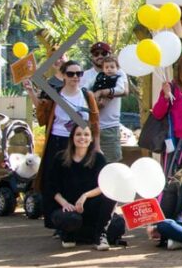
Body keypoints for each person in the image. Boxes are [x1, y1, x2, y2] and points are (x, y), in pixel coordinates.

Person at [25, 60, 100, 228]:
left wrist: (97, 146)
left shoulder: (87, 95)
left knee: (78, 180)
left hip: (81, 143)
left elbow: (95, 123)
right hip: (58, 141)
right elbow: (43, 114)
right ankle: (56, 220)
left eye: (78, 74)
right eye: (71, 74)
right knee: (54, 180)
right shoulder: (56, 94)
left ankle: (79, 217)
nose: (75, 77)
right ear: (64, 76)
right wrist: (31, 92)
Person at [48, 124, 117, 250]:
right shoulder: (60, 158)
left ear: (91, 139)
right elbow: (52, 188)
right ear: (72, 138)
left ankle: (99, 236)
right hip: (67, 207)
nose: (82, 138)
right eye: (78, 134)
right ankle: (69, 234)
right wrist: (65, 204)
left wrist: (85, 196)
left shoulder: (99, 158)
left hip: (89, 205)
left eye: (86, 134)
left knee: (118, 224)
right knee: (70, 219)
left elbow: (104, 186)